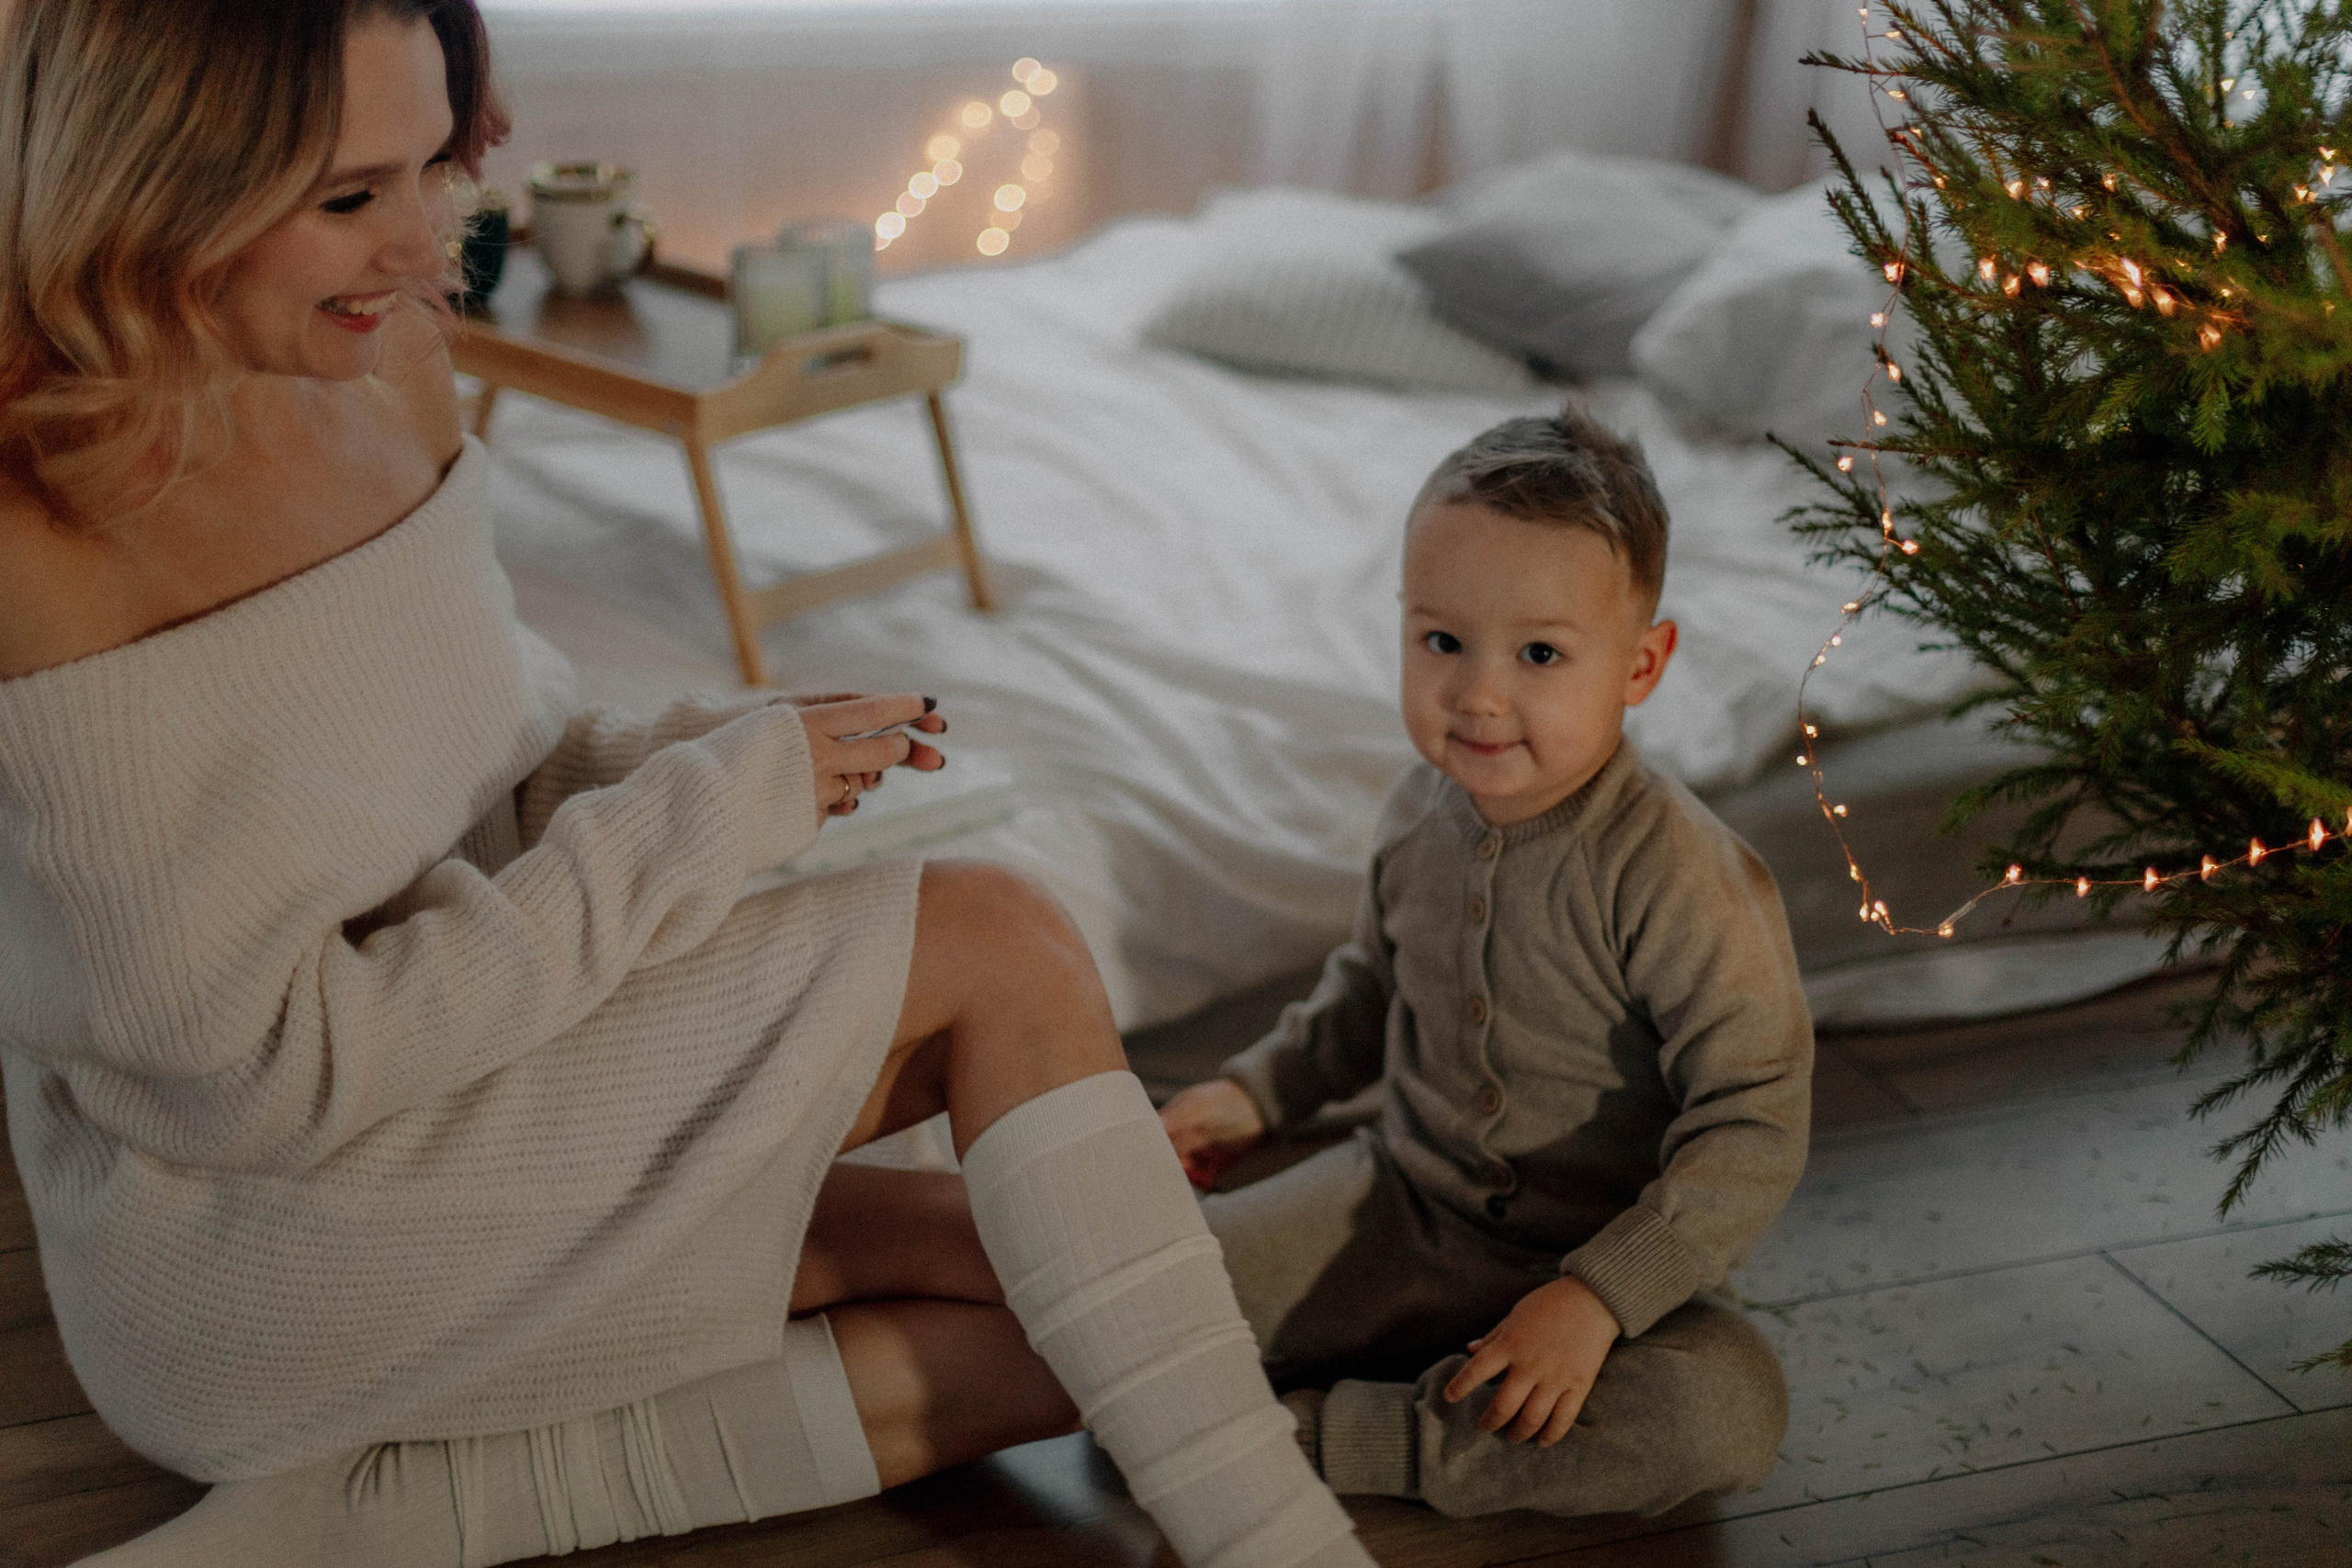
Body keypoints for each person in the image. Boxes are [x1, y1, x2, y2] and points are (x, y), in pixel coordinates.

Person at [0, 4, 1373, 1565]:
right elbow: (259, 1080)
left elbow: (491, 755)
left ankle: (387, 1519)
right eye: (347, 197)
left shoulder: (390, 366)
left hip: (459, 1111)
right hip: (253, 1241)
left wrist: (698, 744)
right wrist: (715, 805)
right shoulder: (44, 519)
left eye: (433, 166)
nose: (422, 242)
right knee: (999, 939)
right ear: (154, 183)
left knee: (1094, 1302)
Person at [1158, 405, 1812, 1518]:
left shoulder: (1680, 875)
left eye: (1541, 653)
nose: (1478, 694)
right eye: (1441, 642)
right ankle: (1348, 1387)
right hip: (1398, 1210)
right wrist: (1255, 1093)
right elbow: (1371, 986)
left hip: (1605, 1274)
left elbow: (1752, 1124)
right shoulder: (1421, 811)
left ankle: (1340, 1442)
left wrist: (1600, 1298)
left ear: (1641, 663)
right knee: (1148, 1309)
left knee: (1726, 1412)